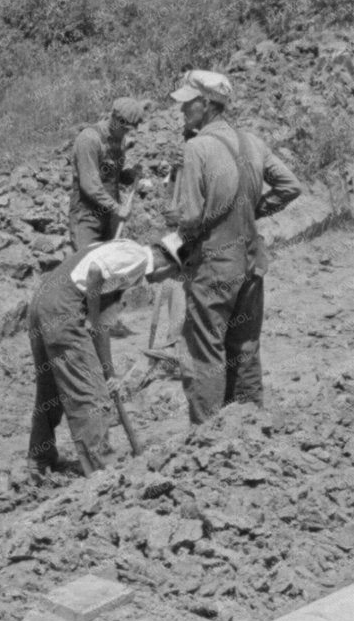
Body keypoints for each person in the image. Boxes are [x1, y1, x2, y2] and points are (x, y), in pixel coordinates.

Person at [163, 69, 303, 424]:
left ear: (207, 104)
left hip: (215, 265)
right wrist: (255, 210)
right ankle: (249, 426)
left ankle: (208, 437)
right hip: (252, 262)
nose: (182, 111)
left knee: (205, 350)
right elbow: (290, 186)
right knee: (244, 346)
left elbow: (191, 216)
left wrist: (175, 224)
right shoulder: (252, 142)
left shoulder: (197, 148)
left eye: (188, 104)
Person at [28, 236, 181, 476]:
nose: (164, 280)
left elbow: (101, 329)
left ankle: (39, 459)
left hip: (43, 305)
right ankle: (102, 472)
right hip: (63, 310)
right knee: (92, 395)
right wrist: (93, 316)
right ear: (167, 261)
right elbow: (95, 271)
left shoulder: (117, 251)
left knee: (51, 390)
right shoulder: (138, 257)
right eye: (172, 274)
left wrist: (109, 372)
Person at [66, 98, 147, 253]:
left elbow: (112, 176)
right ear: (115, 119)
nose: (126, 133)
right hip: (87, 216)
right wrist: (117, 208)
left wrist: (130, 175)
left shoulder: (119, 139)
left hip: (110, 217)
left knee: (108, 264)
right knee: (86, 263)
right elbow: (90, 185)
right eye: (124, 128)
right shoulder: (89, 140)